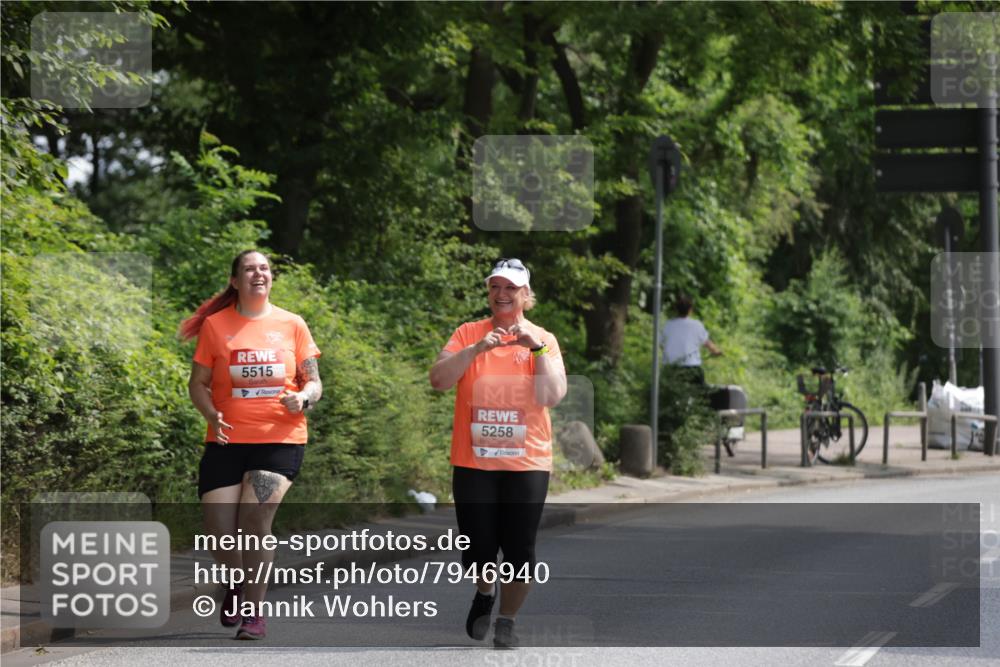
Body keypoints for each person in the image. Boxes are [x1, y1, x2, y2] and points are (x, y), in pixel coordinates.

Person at [180, 249, 322, 641]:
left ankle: (254, 612)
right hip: (226, 440)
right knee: (220, 532)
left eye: (264, 268)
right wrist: (211, 414)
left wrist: (304, 398)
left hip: (279, 439)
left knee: (255, 520)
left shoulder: (292, 324)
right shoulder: (216, 326)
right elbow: (198, 384)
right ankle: (237, 584)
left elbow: (314, 381)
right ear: (235, 281)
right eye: (249, 269)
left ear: (271, 277)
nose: (258, 273)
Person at [429, 258, 567, 649]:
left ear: (526, 295)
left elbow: (553, 395)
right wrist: (474, 350)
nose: (502, 295)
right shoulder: (468, 333)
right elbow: (439, 380)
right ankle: (484, 592)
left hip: (528, 461)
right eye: (495, 287)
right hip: (474, 461)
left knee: (520, 546)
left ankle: (506, 620)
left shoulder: (544, 339)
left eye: (511, 288)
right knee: (478, 546)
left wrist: (536, 350)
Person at [658, 294, 722, 383]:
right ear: (690, 310)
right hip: (692, 368)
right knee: (699, 393)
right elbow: (707, 343)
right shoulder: (696, 325)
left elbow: (661, 344)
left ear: (676, 310)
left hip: (671, 368)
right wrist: (716, 351)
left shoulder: (668, 325)